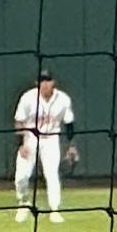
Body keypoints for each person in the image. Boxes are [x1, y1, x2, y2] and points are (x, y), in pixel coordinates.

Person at [11, 72, 77, 222]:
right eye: (42, 81)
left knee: (52, 175)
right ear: (37, 83)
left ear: (53, 82)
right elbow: (19, 121)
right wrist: (21, 144)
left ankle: (55, 210)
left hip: (51, 139)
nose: (45, 84)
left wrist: (72, 145)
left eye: (48, 80)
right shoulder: (28, 97)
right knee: (21, 176)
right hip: (30, 138)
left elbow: (69, 124)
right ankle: (23, 202)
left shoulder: (63, 99)